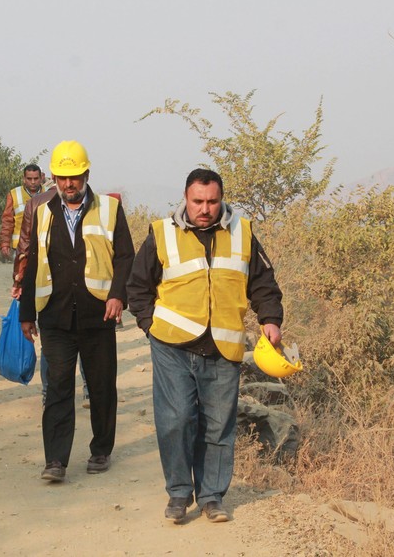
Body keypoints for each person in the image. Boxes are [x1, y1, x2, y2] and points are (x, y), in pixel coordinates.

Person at [126, 168, 284, 523]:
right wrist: (150, 325)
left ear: (221, 199)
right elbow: (137, 286)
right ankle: (179, 494)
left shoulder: (243, 234)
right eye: (198, 201)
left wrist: (270, 319)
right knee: (177, 420)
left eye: (212, 201)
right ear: (186, 198)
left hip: (223, 348)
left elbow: (263, 284)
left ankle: (212, 497)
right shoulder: (161, 233)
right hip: (171, 346)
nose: (205, 208)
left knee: (217, 426)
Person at [19, 140, 135, 482]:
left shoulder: (110, 210)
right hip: (54, 315)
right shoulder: (41, 211)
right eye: (63, 178)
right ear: (53, 177)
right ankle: (55, 460)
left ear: (86, 174)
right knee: (57, 387)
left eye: (75, 177)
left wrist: (118, 296)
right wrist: (27, 312)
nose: (69, 184)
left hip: (97, 314)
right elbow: (32, 262)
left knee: (101, 386)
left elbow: (125, 256)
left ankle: (101, 449)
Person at [11, 170, 90, 408]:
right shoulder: (91, 202)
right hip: (83, 283)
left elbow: (25, 247)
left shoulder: (36, 203)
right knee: (86, 339)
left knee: (51, 343)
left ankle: (49, 393)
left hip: (48, 284)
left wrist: (18, 280)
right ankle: (90, 391)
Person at [0, 164, 45, 259]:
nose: (33, 182)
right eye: (29, 179)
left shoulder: (49, 194)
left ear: (41, 178)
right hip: (20, 248)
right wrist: (4, 243)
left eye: (36, 178)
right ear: (24, 179)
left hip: (43, 246)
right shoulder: (14, 194)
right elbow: (7, 221)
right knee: (20, 273)